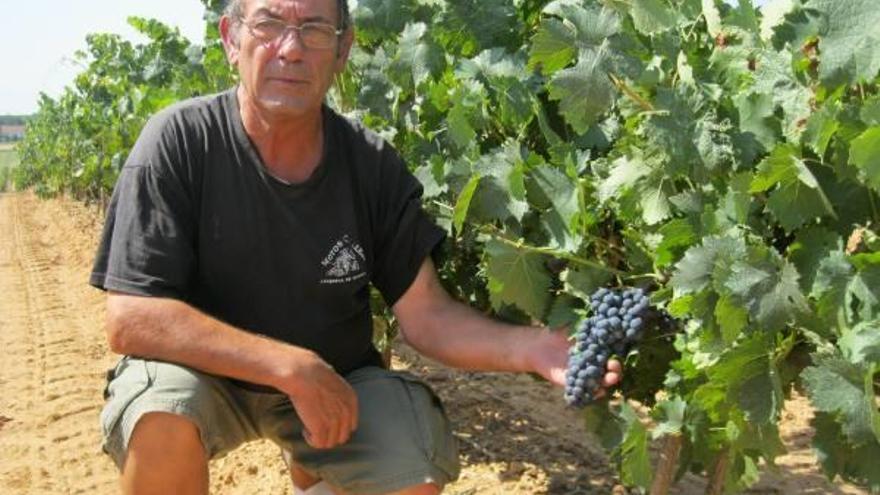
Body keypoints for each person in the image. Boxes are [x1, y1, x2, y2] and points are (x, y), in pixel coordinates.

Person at [90, 0, 623, 493]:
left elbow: (427, 315)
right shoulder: (179, 140)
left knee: (411, 456)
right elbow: (132, 318)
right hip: (205, 380)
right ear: (231, 38)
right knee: (159, 414)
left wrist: (531, 349)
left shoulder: (371, 166)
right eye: (269, 24)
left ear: (343, 49)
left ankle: (314, 467)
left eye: (315, 30)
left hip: (334, 383)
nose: (291, 48)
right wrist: (287, 367)